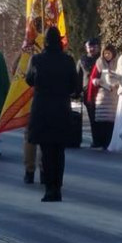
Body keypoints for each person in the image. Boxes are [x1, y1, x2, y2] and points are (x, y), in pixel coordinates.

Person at [25, 26, 79, 202]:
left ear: (46, 41)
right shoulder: (68, 60)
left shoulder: (37, 60)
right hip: (62, 108)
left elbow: (29, 80)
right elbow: (75, 87)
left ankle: (49, 189)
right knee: (59, 151)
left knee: (47, 151)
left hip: (43, 109)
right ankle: (58, 187)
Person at [93, 43, 120, 149]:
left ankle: (109, 141)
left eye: (109, 53)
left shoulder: (117, 63)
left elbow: (121, 76)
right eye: (105, 53)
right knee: (102, 119)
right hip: (102, 95)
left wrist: (117, 82)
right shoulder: (99, 63)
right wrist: (98, 81)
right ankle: (102, 141)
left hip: (113, 95)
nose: (107, 55)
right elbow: (93, 78)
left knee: (111, 120)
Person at [78, 38, 102, 148]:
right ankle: (96, 139)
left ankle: (104, 138)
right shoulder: (82, 60)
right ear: (86, 48)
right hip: (88, 92)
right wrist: (76, 92)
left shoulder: (102, 59)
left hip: (102, 91)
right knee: (93, 117)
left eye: (94, 46)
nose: (92, 49)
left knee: (102, 117)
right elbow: (77, 77)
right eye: (89, 46)